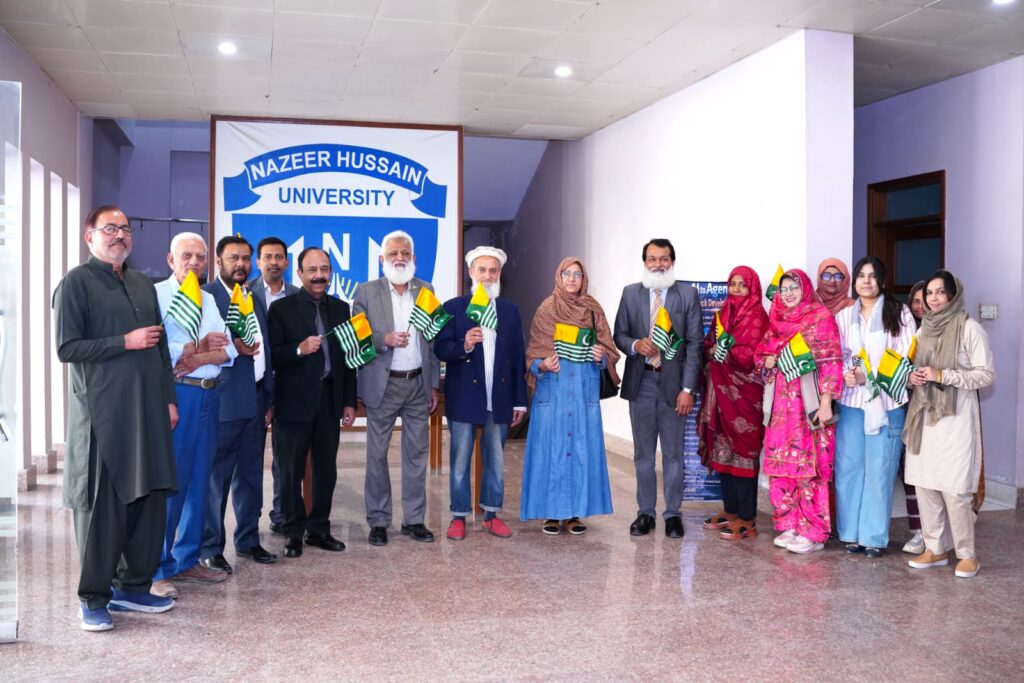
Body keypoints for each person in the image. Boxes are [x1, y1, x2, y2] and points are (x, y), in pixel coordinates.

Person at [54, 205, 178, 631]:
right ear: (89, 236)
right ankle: (93, 597)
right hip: (103, 415)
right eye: (110, 228)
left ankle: (134, 586)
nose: (120, 235)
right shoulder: (76, 283)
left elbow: (160, 349)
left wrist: (168, 400)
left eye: (125, 228)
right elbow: (67, 348)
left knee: (149, 499)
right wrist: (124, 342)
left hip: (148, 412)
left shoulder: (142, 283)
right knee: (102, 508)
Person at [152, 232, 237, 597]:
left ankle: (186, 559)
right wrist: (196, 349)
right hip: (179, 397)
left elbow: (229, 350)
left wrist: (196, 354)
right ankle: (156, 567)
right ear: (171, 260)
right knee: (172, 483)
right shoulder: (156, 295)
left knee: (200, 483)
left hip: (209, 396)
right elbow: (161, 353)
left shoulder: (209, 298)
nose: (194, 262)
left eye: (200, 257)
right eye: (186, 255)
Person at [267, 247, 357, 558]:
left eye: (324, 270)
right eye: (312, 270)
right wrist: (298, 349)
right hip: (293, 402)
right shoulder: (281, 309)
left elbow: (347, 359)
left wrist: (349, 401)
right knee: (290, 470)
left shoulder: (341, 309)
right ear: (300, 273)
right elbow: (272, 355)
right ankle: (292, 532)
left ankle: (319, 529)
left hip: (329, 401)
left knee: (325, 470)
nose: (319, 276)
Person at [352, 231, 440, 546]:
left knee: (417, 455)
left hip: (417, 384)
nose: (399, 258)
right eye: (393, 254)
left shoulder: (427, 290)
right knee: (377, 455)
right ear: (382, 259)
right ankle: (378, 520)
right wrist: (384, 339)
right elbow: (359, 336)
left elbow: (431, 341)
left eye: (405, 253)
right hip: (383, 385)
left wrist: (433, 384)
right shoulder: (366, 291)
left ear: (413, 258)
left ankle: (414, 520)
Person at [904, 270, 994, 578]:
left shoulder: (970, 329)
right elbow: (912, 366)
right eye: (929, 293)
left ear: (953, 295)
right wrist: (913, 378)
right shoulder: (923, 331)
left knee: (955, 489)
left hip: (956, 418)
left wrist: (944, 375)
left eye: (940, 292)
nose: (934, 299)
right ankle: (935, 548)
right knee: (924, 483)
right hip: (924, 416)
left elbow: (985, 375)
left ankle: (966, 554)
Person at [521, 257, 620, 534]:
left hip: (582, 392)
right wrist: (541, 364)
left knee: (581, 450)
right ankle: (551, 513)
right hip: (553, 390)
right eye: (567, 273)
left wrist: (602, 357)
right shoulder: (546, 308)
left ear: (584, 278)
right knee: (549, 450)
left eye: (578, 274)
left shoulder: (592, 309)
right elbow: (532, 352)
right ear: (559, 276)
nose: (572, 279)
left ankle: (575, 513)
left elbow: (610, 350)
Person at [434, 247, 527, 540]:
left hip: (498, 398)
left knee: (496, 461)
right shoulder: (453, 307)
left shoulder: (509, 311)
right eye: (482, 270)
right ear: (471, 273)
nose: (487, 276)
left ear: (499, 275)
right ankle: (458, 516)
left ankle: (491, 515)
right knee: (460, 461)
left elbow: (518, 357)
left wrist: (520, 401)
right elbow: (441, 348)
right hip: (464, 397)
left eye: (493, 271)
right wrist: (464, 344)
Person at [613, 238, 702, 538]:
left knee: (674, 454)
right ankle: (645, 513)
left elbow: (694, 345)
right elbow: (619, 335)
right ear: (644, 262)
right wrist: (636, 344)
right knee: (643, 454)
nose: (658, 264)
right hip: (641, 383)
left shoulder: (687, 295)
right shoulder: (631, 293)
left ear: (672, 262)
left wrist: (688, 389)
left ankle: (673, 514)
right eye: (652, 259)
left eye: (663, 259)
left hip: (674, 385)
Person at [200, 235, 277, 574]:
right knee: (217, 480)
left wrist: (269, 396)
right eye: (234, 258)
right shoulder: (206, 298)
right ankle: (210, 547)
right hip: (224, 401)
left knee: (250, 476)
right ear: (219, 262)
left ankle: (247, 540)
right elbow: (200, 347)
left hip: (256, 401)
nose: (241, 264)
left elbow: (265, 349)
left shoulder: (252, 296)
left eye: (246, 259)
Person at [756, 269, 842, 554]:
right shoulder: (775, 320)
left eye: (794, 287)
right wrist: (766, 361)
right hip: (780, 408)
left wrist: (827, 402)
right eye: (784, 289)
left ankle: (813, 532)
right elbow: (760, 356)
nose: (789, 293)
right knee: (782, 467)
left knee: (809, 469)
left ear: (805, 289)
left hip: (808, 406)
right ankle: (790, 524)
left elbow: (832, 361)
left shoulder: (820, 318)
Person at [834, 257, 916, 558]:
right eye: (861, 276)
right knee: (849, 468)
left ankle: (873, 537)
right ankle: (851, 534)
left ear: (881, 280)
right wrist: (849, 373)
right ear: (854, 281)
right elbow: (841, 354)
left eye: (872, 276)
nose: (866, 281)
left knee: (880, 470)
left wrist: (867, 376)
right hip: (852, 404)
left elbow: (904, 355)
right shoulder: (844, 316)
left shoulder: (899, 312)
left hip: (887, 403)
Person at [698, 266, 768, 541]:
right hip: (719, 393)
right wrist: (712, 350)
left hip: (746, 396)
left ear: (753, 288)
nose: (737, 289)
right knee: (723, 451)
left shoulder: (758, 317)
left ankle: (747, 518)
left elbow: (754, 355)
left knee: (744, 452)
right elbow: (707, 345)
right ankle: (730, 510)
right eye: (733, 283)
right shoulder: (722, 314)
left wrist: (728, 352)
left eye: (743, 284)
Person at [249, 236, 299, 535]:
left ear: (287, 262)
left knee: (285, 457)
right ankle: (249, 521)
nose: (274, 262)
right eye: (268, 257)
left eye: (279, 257)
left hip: (288, 384)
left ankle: (281, 515)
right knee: (251, 457)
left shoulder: (297, 295)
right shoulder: (245, 293)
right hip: (254, 387)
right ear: (258, 262)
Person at [899, 278, 928, 554]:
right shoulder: (904, 332)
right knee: (909, 470)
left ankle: (937, 532)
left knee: (933, 474)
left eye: (924, 300)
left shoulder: (946, 332)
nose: (920, 306)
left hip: (936, 412)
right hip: (908, 409)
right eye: (915, 301)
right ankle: (918, 532)